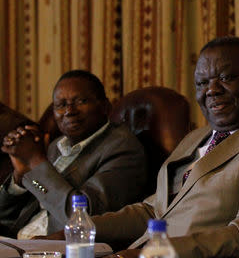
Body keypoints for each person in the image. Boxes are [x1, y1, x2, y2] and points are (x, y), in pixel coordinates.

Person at [80, 37, 239, 258]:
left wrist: (157, 253)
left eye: (226, 78)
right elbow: (154, 210)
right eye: (202, 83)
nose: (212, 90)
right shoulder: (195, 137)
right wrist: (81, 227)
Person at [0, 70, 149, 239]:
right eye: (61, 105)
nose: (69, 111)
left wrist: (36, 162)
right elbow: (4, 218)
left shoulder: (122, 148)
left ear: (105, 107)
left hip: (60, 251)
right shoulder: (56, 145)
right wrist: (19, 177)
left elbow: (83, 218)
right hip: (17, 244)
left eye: (80, 101)